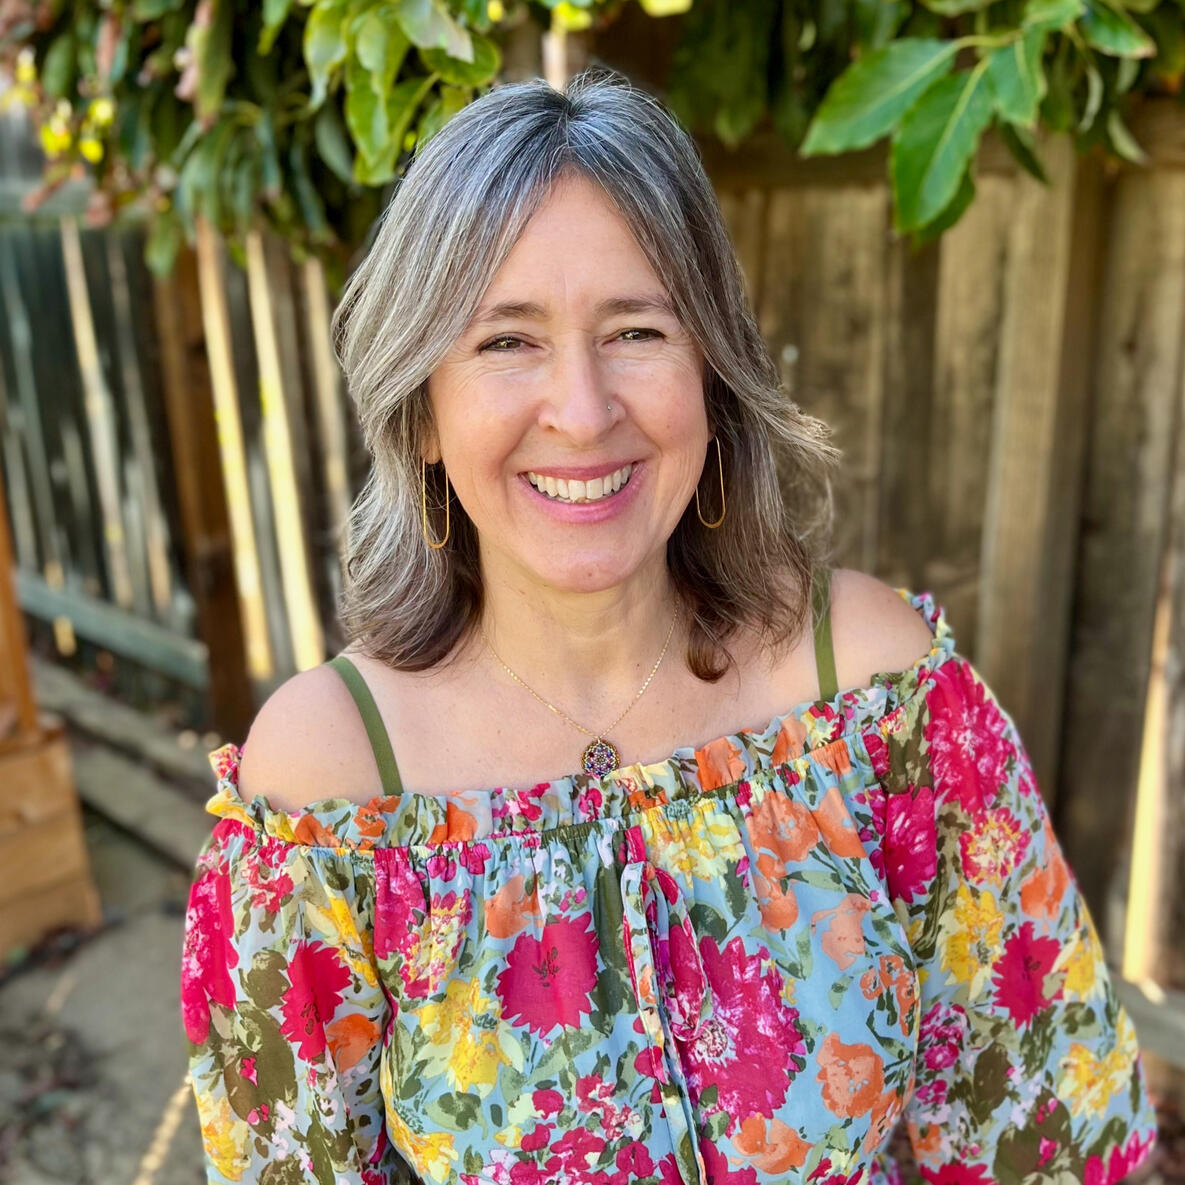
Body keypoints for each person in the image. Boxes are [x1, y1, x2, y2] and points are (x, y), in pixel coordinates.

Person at [180, 69, 1158, 1185]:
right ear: (422, 416)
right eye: (506, 341)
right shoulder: (330, 788)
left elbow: (1036, 1125)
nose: (583, 410)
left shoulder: (871, 693)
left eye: (637, 329)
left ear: (712, 374)